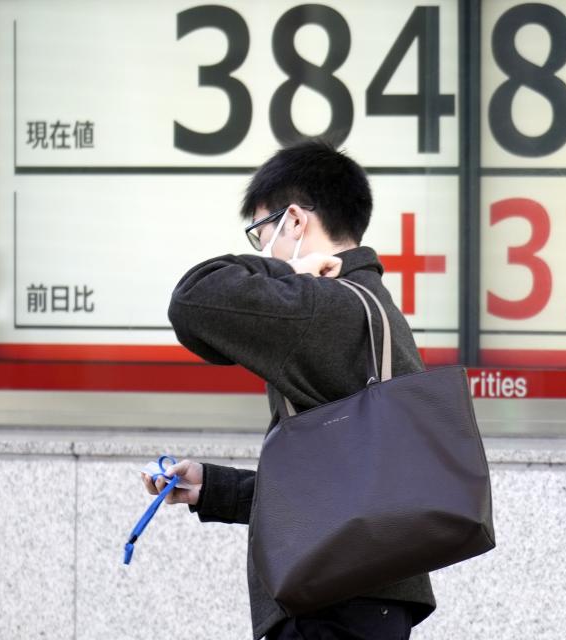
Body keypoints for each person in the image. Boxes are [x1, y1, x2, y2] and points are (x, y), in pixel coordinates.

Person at [141, 138, 436, 640]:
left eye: (262, 233)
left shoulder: (323, 305)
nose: (264, 249)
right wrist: (215, 489)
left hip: (331, 602)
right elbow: (341, 492)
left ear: (295, 221)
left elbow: (193, 301)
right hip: (366, 599)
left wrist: (287, 269)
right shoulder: (375, 305)